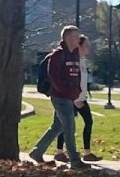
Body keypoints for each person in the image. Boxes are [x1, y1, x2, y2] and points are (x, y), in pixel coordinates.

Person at [29, 26, 89, 168]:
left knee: (58, 126)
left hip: (70, 96)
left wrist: (77, 92)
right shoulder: (58, 55)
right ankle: (74, 160)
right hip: (60, 97)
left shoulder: (74, 53)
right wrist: (67, 93)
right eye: (76, 36)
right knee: (69, 126)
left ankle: (37, 152)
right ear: (67, 37)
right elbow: (54, 78)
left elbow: (77, 74)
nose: (78, 39)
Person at [55, 36, 100, 162]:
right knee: (65, 125)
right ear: (79, 46)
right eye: (86, 45)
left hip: (81, 97)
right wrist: (75, 100)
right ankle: (59, 152)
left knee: (88, 122)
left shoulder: (82, 61)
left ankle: (87, 153)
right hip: (72, 98)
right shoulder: (74, 61)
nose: (88, 48)